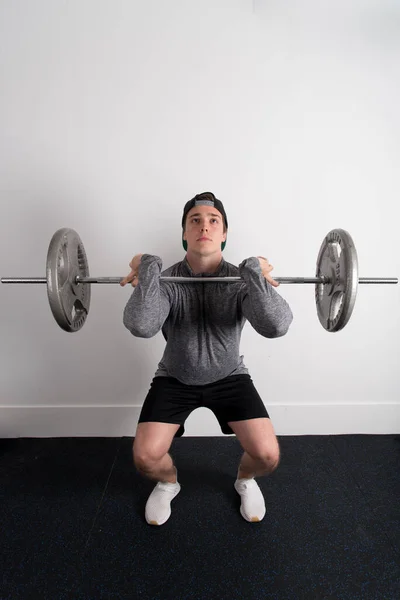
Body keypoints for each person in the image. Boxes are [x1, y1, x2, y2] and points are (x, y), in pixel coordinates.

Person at [120, 192, 293, 526]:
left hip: (230, 377)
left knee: (267, 456)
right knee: (145, 458)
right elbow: (141, 325)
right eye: (195, 220)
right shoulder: (166, 279)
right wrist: (148, 266)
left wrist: (254, 273)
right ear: (184, 232)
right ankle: (168, 482)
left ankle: (245, 479)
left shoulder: (242, 280)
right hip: (175, 378)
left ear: (224, 233)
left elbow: (277, 326)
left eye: (214, 221)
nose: (204, 226)